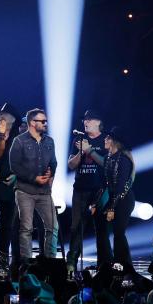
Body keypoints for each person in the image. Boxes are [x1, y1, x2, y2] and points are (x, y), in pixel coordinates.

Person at [82, 126, 135, 271]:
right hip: (113, 199)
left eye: (107, 138)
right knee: (100, 224)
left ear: (114, 141)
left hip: (123, 200)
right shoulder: (109, 159)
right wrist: (95, 203)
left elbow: (120, 186)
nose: (104, 139)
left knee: (119, 232)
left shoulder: (123, 160)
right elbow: (105, 184)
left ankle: (124, 266)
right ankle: (105, 263)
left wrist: (112, 207)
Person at [10, 108, 58, 262]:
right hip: (25, 191)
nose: (45, 123)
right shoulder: (19, 141)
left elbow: (54, 162)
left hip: (44, 192)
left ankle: (49, 261)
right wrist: (34, 178)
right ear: (32, 123)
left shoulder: (50, 141)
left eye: (46, 121)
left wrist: (51, 176)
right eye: (42, 121)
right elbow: (14, 166)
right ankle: (26, 264)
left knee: (53, 227)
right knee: (26, 229)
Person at [66, 109, 110, 273]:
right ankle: (71, 263)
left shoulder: (106, 140)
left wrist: (89, 150)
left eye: (90, 120)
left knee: (101, 228)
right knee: (76, 227)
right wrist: (80, 151)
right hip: (80, 190)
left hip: (99, 191)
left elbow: (106, 164)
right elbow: (71, 165)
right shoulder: (78, 139)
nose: (86, 122)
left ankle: (104, 264)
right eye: (85, 119)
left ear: (99, 122)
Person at [0, 102, 20, 270]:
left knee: (7, 224)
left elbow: (26, 162)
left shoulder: (19, 137)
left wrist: (17, 175)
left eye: (6, 115)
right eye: (0, 116)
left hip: (10, 187)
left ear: (13, 120)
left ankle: (2, 258)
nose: (1, 118)